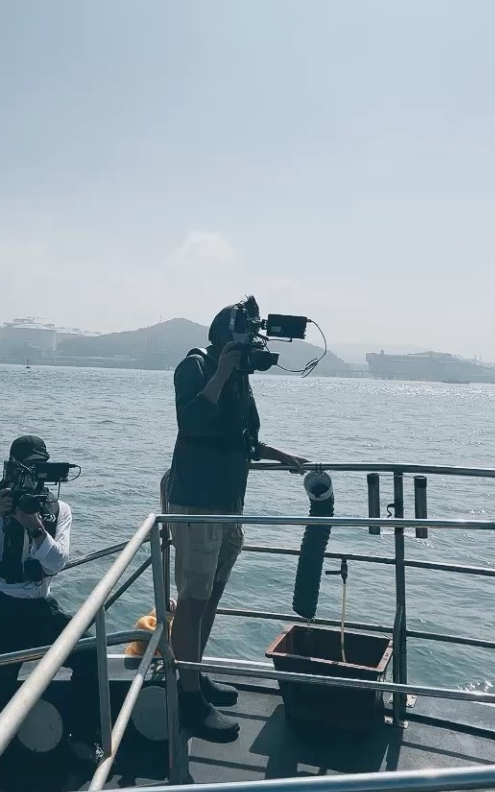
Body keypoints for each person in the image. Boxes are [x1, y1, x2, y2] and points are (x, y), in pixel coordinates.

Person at [165, 297, 308, 743]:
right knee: (191, 599)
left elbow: (245, 438)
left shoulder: (242, 381)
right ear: (220, 341)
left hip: (228, 505)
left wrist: (282, 455)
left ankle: (195, 672)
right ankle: (187, 697)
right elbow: (189, 420)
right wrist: (222, 373)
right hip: (197, 502)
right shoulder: (196, 368)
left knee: (212, 596)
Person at [0, 434, 102, 766]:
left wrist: (35, 527)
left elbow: (56, 563)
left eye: (41, 469)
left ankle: (83, 736)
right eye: (28, 469)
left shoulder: (60, 511)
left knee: (90, 654)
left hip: (40, 607)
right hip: (0, 607)